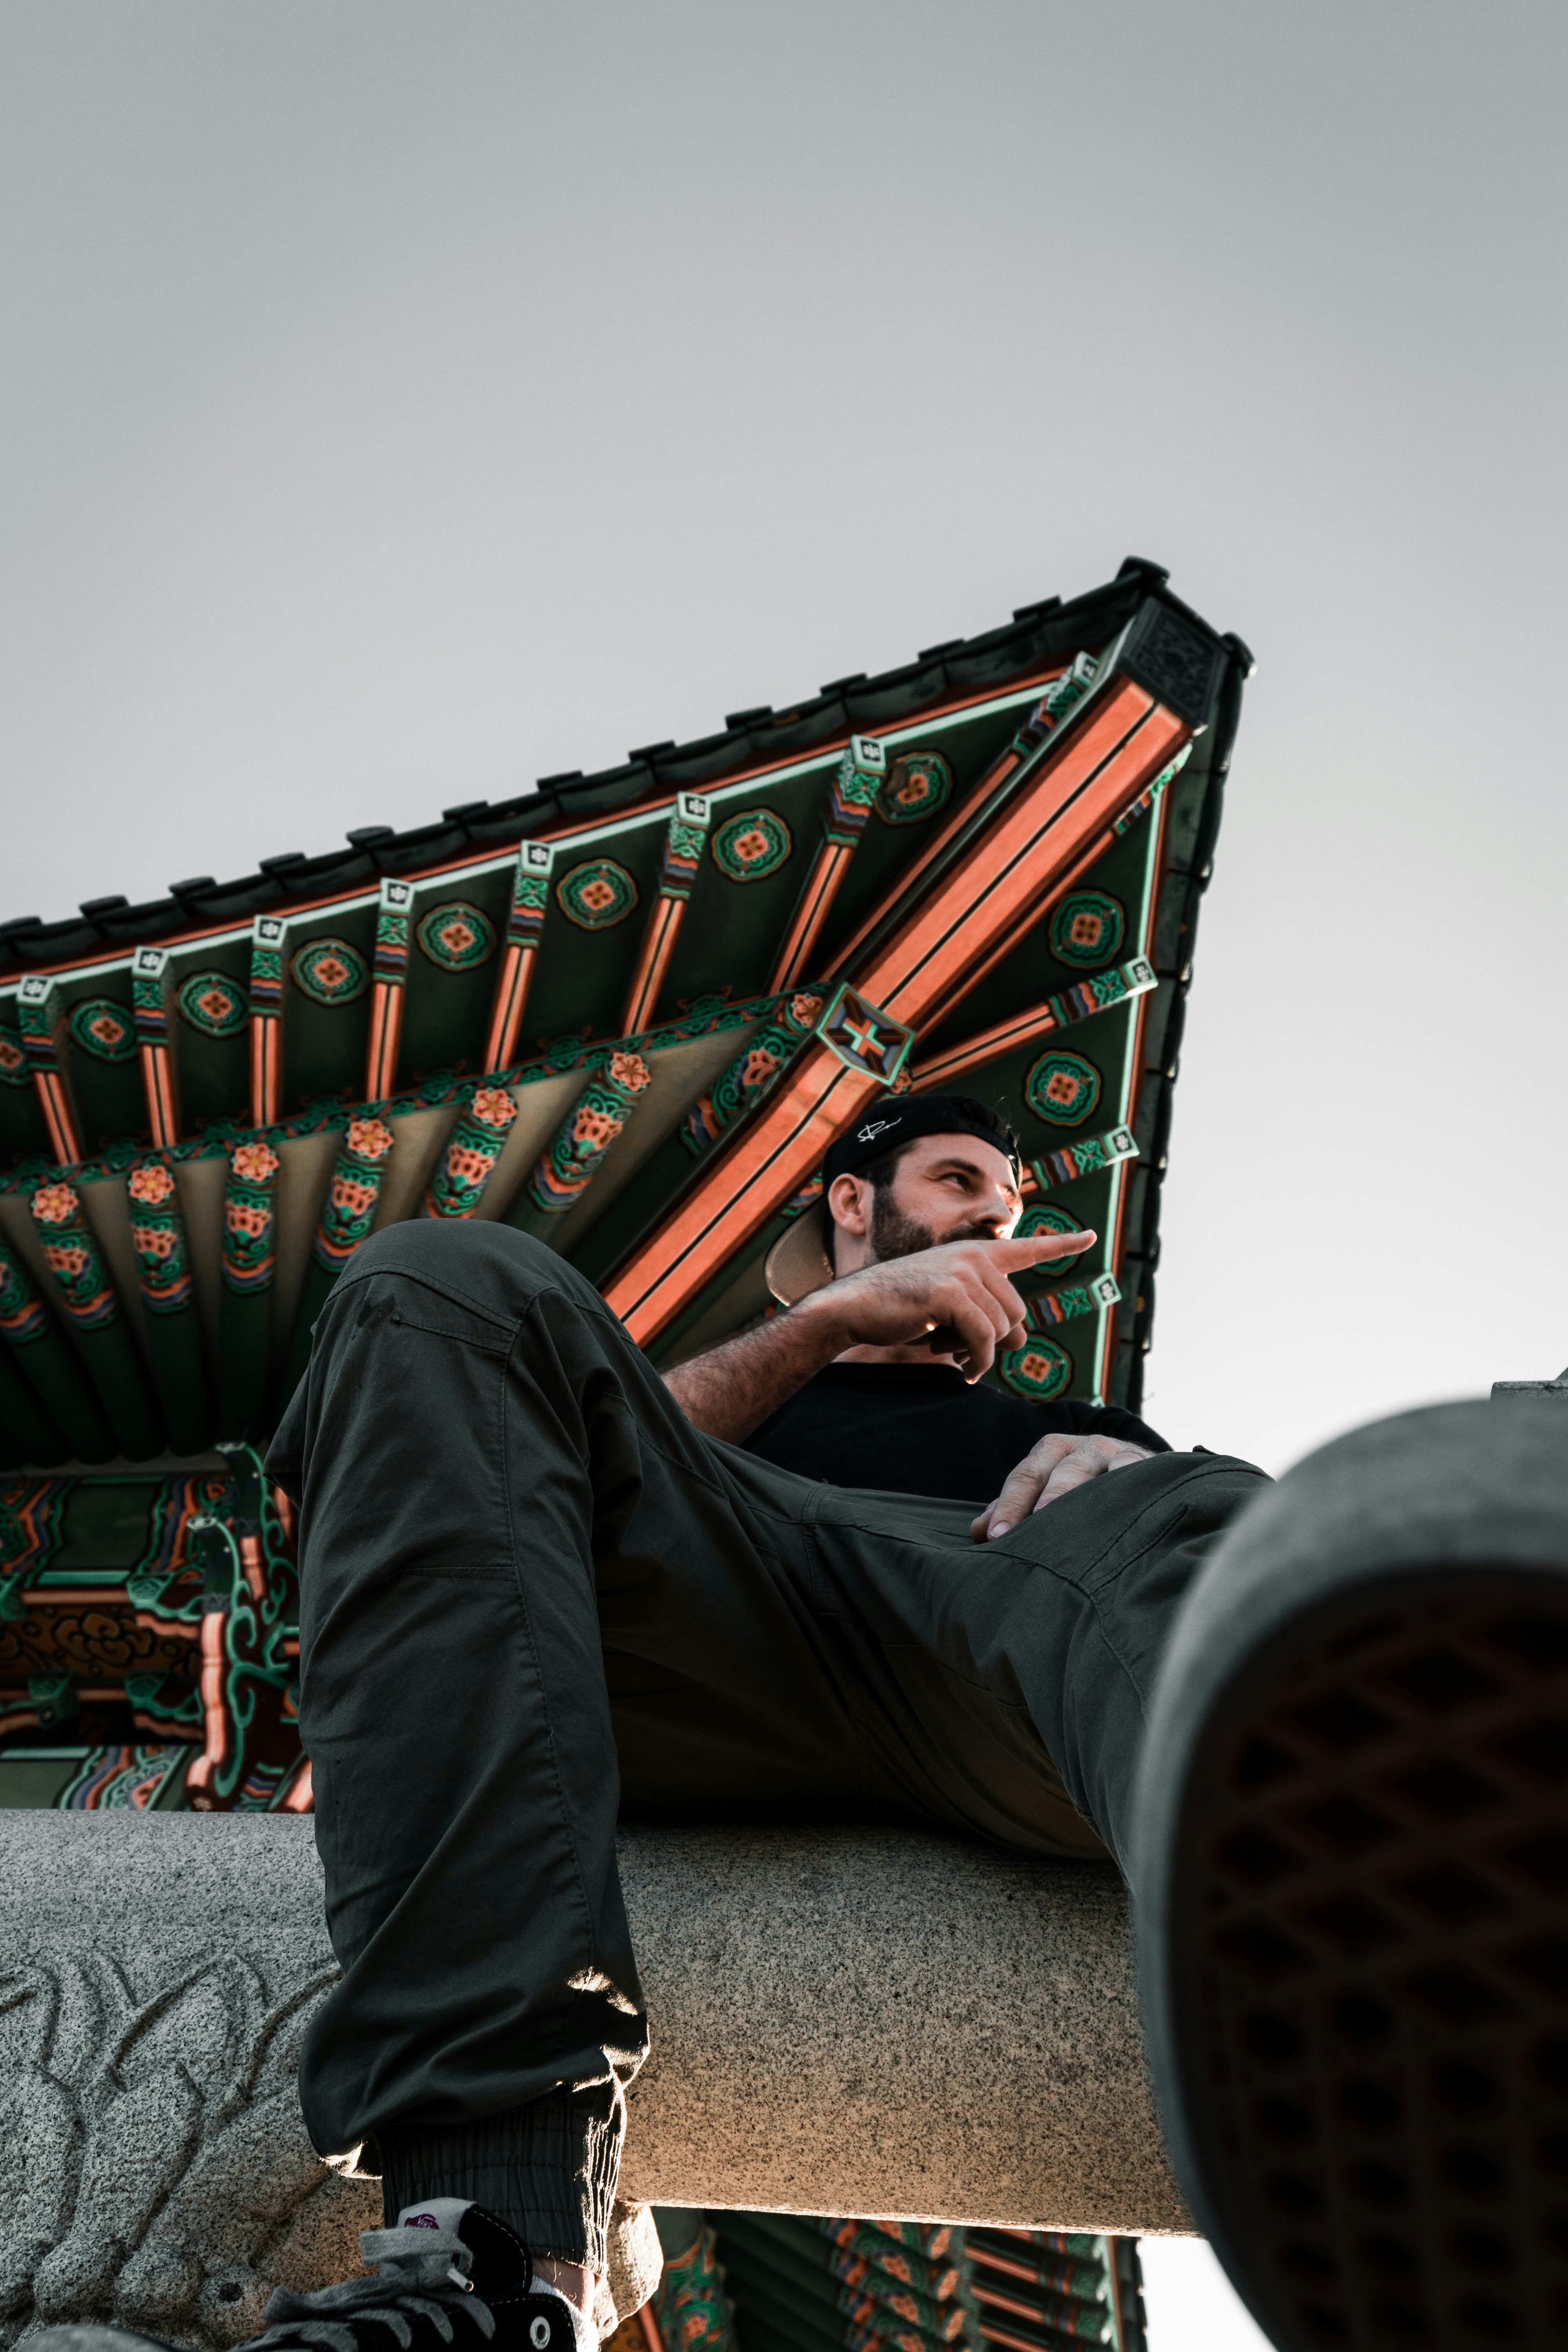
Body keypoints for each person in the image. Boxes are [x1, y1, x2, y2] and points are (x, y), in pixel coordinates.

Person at [45, 1100, 1568, 2352]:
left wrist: (1116, 1461)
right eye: (958, 1181)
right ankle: (495, 2258)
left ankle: (1449, 2049)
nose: (990, 1218)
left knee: (1197, 1518)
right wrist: (837, 1322)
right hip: (723, 1604)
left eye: (1007, 1199)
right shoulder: (730, 1382)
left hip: (1012, 1601)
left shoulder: (1063, 1429)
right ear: (851, 1204)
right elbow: (549, 1488)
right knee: (433, 1282)